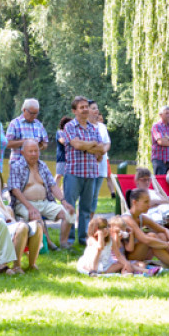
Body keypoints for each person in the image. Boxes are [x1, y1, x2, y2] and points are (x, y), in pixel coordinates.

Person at [7, 139, 75, 249]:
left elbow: (53, 185)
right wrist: (30, 207)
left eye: (36, 151)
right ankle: (49, 243)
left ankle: (64, 243)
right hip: (24, 204)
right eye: (30, 151)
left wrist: (64, 202)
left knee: (69, 213)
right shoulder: (16, 166)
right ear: (23, 153)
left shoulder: (42, 165)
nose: (34, 154)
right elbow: (15, 190)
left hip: (44, 202)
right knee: (36, 215)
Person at [121, 188, 169, 271]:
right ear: (134, 202)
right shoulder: (127, 218)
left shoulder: (142, 218)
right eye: (146, 202)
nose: (149, 205)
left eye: (149, 202)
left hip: (138, 253)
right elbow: (145, 239)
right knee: (151, 236)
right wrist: (167, 245)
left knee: (161, 235)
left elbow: (165, 230)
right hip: (127, 257)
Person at [62, 96, 103, 246]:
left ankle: (84, 238)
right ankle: (69, 239)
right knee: (70, 207)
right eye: (82, 107)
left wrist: (87, 146)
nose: (85, 109)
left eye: (86, 106)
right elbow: (76, 145)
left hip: (91, 173)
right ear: (74, 111)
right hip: (73, 173)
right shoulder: (70, 127)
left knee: (86, 208)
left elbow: (101, 150)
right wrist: (91, 145)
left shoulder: (94, 128)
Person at [5, 98, 48, 163]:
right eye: (32, 113)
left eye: (36, 113)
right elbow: (7, 144)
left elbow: (45, 143)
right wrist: (25, 142)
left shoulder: (39, 124)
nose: (34, 116)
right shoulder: (14, 123)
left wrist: (38, 145)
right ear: (24, 110)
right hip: (17, 163)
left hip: (34, 165)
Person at [89, 100, 111, 217]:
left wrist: (103, 151)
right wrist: (96, 152)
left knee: (95, 194)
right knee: (88, 193)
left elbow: (107, 142)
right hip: (89, 164)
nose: (96, 110)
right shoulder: (85, 126)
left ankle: (91, 218)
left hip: (101, 163)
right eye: (93, 108)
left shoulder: (102, 126)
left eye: (96, 108)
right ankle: (81, 218)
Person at [54, 116, 71, 190]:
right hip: (61, 157)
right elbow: (62, 141)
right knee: (58, 175)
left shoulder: (70, 134)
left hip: (69, 158)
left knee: (67, 176)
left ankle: (62, 193)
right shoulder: (60, 132)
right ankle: (53, 191)